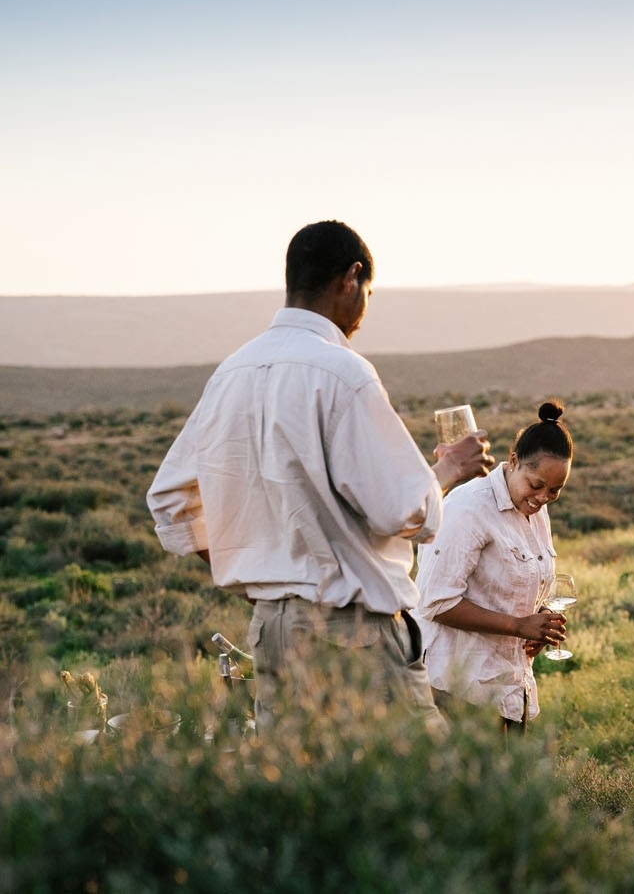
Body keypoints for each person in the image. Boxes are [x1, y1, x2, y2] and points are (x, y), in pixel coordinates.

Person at [147, 220, 494, 733]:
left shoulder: (232, 373)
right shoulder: (343, 373)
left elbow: (171, 500)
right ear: (351, 278)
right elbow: (404, 510)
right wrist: (449, 468)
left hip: (271, 629)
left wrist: (265, 575)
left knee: (306, 797)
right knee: (417, 793)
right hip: (352, 633)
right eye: (368, 292)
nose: (364, 312)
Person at [413, 401, 574, 734]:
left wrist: (539, 620)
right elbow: (435, 601)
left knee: (511, 783)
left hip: (509, 683)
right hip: (458, 687)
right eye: (537, 485)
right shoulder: (467, 508)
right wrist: (518, 625)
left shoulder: (533, 509)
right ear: (513, 461)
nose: (543, 497)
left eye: (555, 491)